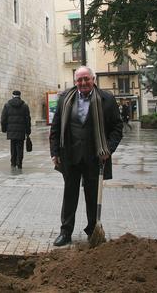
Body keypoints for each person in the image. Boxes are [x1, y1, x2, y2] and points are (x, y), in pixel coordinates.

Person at [49, 66, 123, 247]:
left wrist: (108, 149)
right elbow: (56, 127)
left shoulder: (106, 99)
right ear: (75, 82)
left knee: (92, 196)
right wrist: (54, 152)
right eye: (79, 80)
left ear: (93, 79)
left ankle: (92, 231)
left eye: (86, 79)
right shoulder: (65, 98)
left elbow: (117, 128)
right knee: (69, 195)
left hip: (95, 157)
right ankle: (65, 232)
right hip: (70, 156)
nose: (83, 83)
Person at [0, 90, 31, 169]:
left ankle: (13, 163)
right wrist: (28, 131)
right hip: (21, 131)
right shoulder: (25, 106)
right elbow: (28, 120)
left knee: (13, 146)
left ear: (12, 96)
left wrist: (4, 129)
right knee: (20, 147)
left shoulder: (7, 105)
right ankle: (19, 163)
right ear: (20, 96)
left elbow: (3, 119)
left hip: (11, 131)